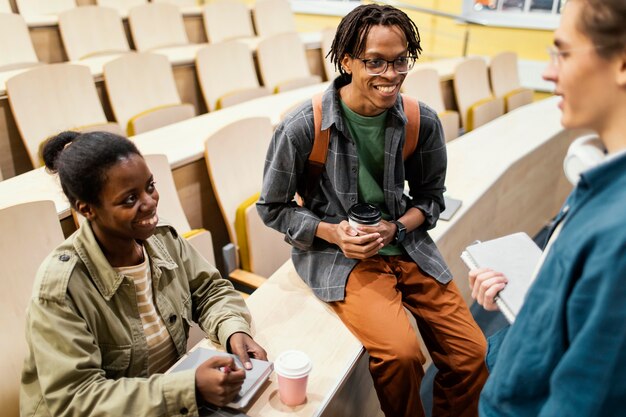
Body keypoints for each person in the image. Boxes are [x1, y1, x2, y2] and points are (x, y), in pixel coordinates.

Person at [257, 4, 488, 417]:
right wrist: (332, 232)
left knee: (471, 353)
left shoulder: (422, 120)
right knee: (401, 357)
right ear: (346, 61)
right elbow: (272, 208)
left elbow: (431, 199)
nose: (391, 74)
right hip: (339, 256)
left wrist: (395, 228)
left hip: (406, 245)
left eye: (401, 60)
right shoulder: (302, 126)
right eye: (375, 62)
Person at [21, 131, 267, 416]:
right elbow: (77, 400)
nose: (150, 202)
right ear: (86, 209)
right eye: (129, 199)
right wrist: (189, 388)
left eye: (150, 186)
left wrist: (232, 328)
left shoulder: (160, 238)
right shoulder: (61, 290)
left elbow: (209, 290)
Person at [469, 0, 626, 415]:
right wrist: (530, 298)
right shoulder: (600, 175)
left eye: (564, 52)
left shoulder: (618, 236)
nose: (548, 71)